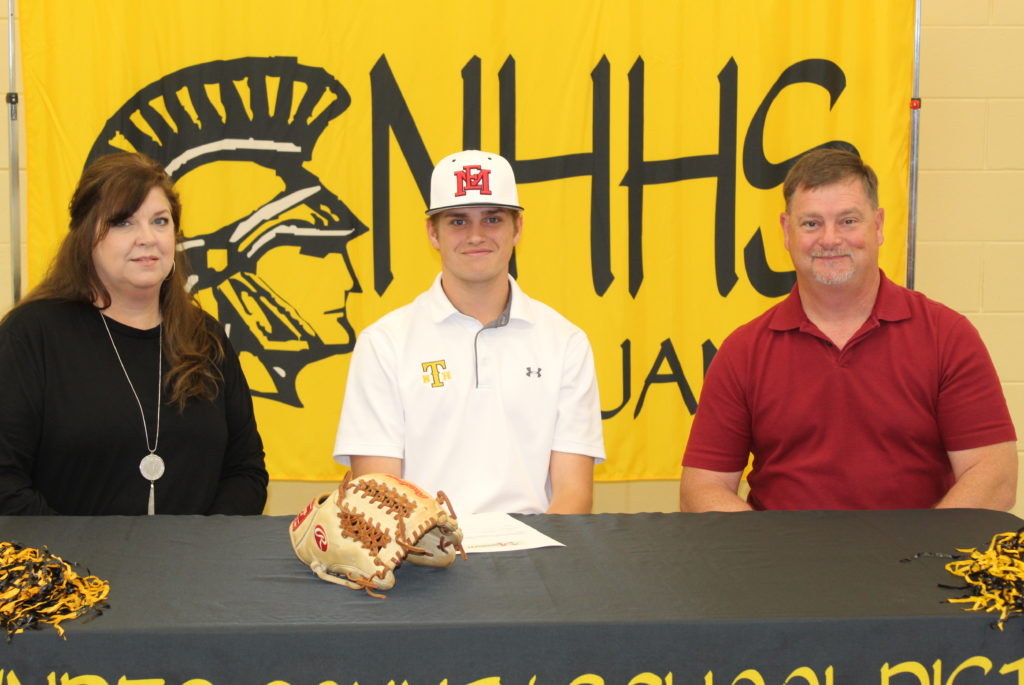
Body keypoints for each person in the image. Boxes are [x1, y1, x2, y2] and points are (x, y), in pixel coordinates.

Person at [680, 147, 1017, 512]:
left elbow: (993, 477)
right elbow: (702, 487)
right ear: (785, 231)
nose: (829, 239)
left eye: (848, 221)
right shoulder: (744, 350)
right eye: (811, 223)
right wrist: (770, 557)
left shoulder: (947, 336)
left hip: (917, 562)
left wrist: (921, 560)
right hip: (782, 564)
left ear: (879, 225)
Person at [333, 150, 605, 514]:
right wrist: (439, 552)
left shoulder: (565, 342)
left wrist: (537, 564)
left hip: (534, 557)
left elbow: (574, 496)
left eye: (492, 219)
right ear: (433, 232)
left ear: (517, 228)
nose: (476, 236)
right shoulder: (383, 343)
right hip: (423, 558)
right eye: (458, 222)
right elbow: (378, 496)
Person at [0, 152, 268, 515]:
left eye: (160, 221)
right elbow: (5, 482)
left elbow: (245, 469)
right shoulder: (31, 336)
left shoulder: (206, 338)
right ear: (85, 235)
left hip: (195, 567)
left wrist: (206, 547)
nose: (147, 238)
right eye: (123, 223)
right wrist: (75, 566)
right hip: (70, 567)